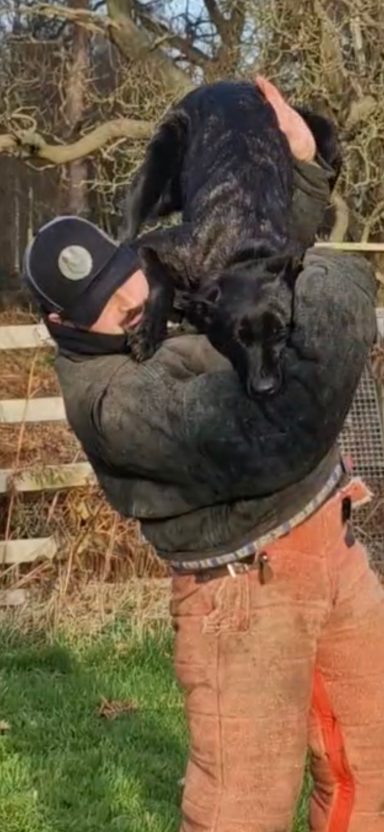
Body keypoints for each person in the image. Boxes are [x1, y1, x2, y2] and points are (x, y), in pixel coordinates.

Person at [23, 78, 384, 832]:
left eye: (133, 285)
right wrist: (344, 280)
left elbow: (265, 262)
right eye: (108, 310)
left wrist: (306, 166)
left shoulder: (173, 284)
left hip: (332, 547)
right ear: (62, 322)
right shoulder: (112, 400)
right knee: (240, 810)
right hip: (244, 596)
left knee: (370, 772)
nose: (132, 311)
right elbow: (281, 421)